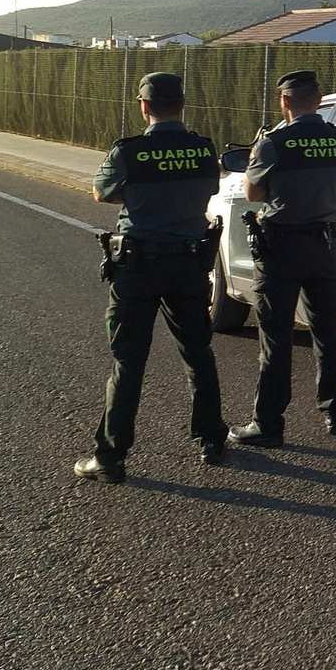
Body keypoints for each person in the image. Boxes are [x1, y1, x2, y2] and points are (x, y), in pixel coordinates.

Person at [75, 72, 227, 483]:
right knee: (198, 353)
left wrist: (143, 196)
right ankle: (213, 440)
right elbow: (207, 190)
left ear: (144, 106)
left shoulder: (130, 151)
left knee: (128, 361)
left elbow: (101, 192)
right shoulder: (202, 149)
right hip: (190, 263)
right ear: (182, 104)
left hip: (139, 266)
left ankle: (110, 458)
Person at [229, 70, 336, 447]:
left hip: (281, 248)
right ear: (318, 99)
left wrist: (257, 153)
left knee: (276, 337)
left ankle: (267, 424)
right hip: (326, 245)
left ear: (284, 101)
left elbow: (252, 194)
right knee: (327, 333)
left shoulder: (274, 143)